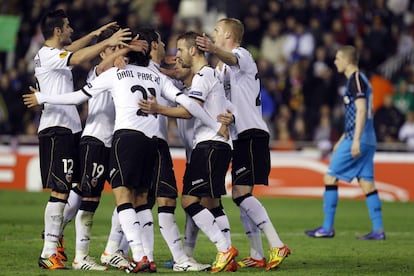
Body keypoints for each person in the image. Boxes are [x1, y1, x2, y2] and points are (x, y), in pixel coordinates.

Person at [33, 9, 130, 270]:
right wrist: (107, 42)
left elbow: (75, 49)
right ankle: (48, 251)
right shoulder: (49, 55)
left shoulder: (52, 54)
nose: (71, 30)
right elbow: (78, 55)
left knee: (74, 187)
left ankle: (56, 244)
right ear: (57, 31)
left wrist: (96, 34)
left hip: (71, 129)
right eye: (67, 26)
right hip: (57, 128)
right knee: (60, 190)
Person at [139, 31, 239, 273]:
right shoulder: (208, 76)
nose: (178, 55)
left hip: (210, 145)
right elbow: (227, 105)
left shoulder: (203, 76)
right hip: (216, 145)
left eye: (181, 50)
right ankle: (228, 255)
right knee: (211, 202)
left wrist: (157, 108)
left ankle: (224, 248)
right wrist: (230, 118)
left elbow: (189, 111)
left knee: (189, 201)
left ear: (193, 50)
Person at [196, 18, 290, 270]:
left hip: (252, 133)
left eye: (216, 31)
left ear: (227, 34)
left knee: (240, 194)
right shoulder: (220, 68)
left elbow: (231, 59)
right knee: (241, 194)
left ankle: (276, 244)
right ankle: (257, 253)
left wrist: (211, 48)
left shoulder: (243, 55)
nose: (213, 34)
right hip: (239, 135)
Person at [305, 45, 385, 240]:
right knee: (367, 184)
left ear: (348, 60)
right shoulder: (359, 80)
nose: (335, 62)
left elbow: (361, 110)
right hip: (367, 139)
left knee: (330, 177)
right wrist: (343, 137)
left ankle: (327, 228)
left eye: (338, 58)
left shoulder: (356, 79)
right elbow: (356, 113)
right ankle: (378, 230)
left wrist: (354, 139)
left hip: (358, 139)